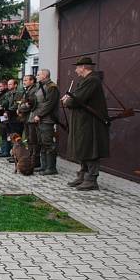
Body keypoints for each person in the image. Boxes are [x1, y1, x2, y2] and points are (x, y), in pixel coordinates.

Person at [62, 56, 110, 191]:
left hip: (91, 123)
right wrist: (69, 99)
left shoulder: (92, 81)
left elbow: (75, 100)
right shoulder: (85, 80)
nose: (76, 70)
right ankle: (82, 176)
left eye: (77, 67)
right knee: (82, 148)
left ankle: (91, 179)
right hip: (83, 122)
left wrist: (67, 100)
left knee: (90, 149)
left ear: (83, 67)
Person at [30, 69, 61, 175]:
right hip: (39, 119)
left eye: (38, 74)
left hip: (47, 119)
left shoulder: (52, 87)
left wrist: (39, 115)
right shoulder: (41, 86)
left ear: (44, 75)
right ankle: (44, 166)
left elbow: (50, 104)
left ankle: (51, 168)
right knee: (42, 143)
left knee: (48, 143)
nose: (37, 76)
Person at [18, 74, 40, 169]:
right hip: (26, 118)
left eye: (26, 80)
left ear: (32, 81)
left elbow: (30, 104)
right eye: (24, 80)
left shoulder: (34, 90)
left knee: (33, 140)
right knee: (28, 139)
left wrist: (20, 108)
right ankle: (30, 158)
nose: (24, 82)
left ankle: (35, 160)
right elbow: (23, 102)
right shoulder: (27, 90)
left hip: (31, 117)